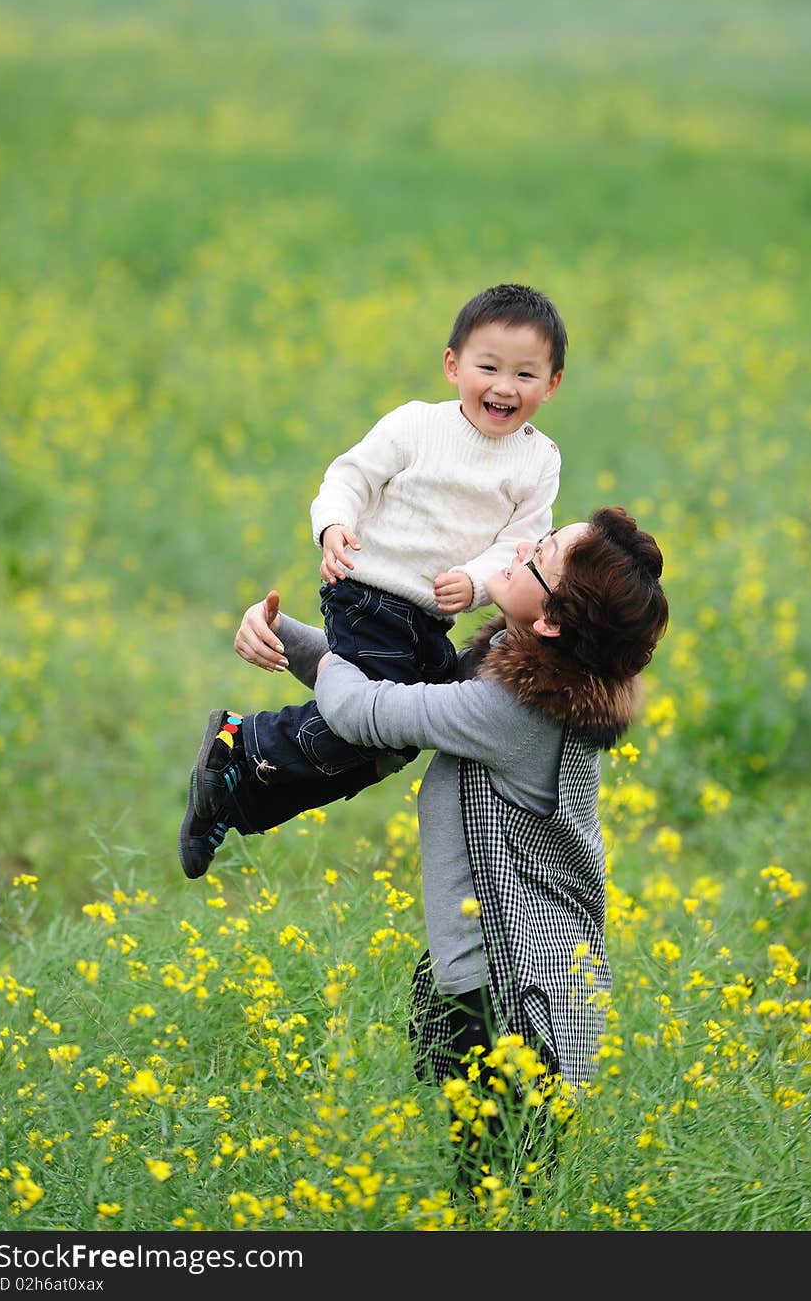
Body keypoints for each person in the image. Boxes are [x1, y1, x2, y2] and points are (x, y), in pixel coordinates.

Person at [215, 506, 669, 1188]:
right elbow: (400, 693)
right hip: (490, 981)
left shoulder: (514, 712)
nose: (518, 548)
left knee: (499, 1198)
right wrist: (280, 633)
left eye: (538, 553)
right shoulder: (519, 666)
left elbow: (364, 712)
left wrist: (333, 652)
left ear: (550, 623)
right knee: (490, 1189)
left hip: (516, 1003)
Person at [178, 282, 568, 878]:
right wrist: (333, 526)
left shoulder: (539, 460)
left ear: (552, 384)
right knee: (375, 716)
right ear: (452, 364)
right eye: (488, 367)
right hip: (368, 591)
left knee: (394, 744)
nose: (504, 387)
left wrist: (476, 581)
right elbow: (350, 478)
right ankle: (241, 742)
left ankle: (236, 798)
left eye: (525, 374)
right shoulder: (416, 426)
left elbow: (519, 542)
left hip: (431, 615)